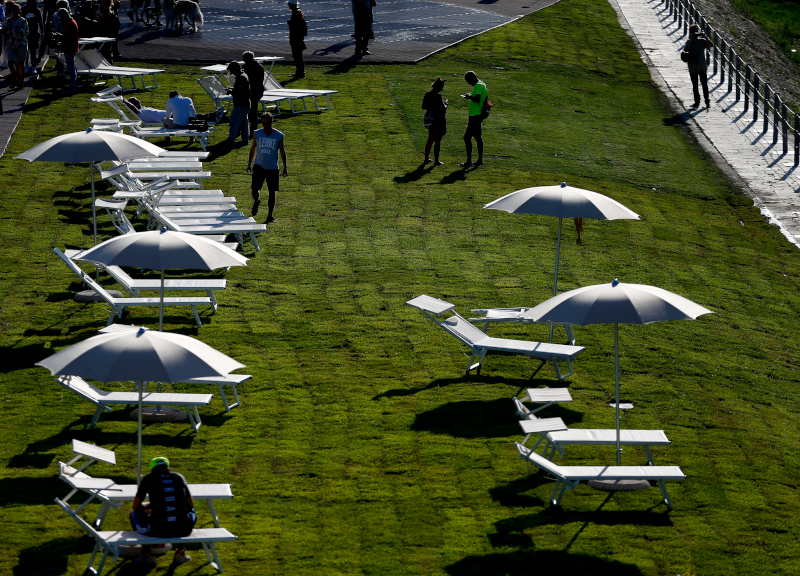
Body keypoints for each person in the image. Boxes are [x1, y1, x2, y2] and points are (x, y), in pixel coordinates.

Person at [130, 456, 197, 566]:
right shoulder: (179, 477)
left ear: (152, 469)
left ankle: (147, 554)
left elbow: (135, 507)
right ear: (168, 467)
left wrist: (151, 506)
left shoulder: (148, 478)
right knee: (190, 513)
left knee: (133, 515)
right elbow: (190, 505)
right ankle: (180, 552)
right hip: (183, 530)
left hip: (158, 530)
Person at [247, 112, 287, 223]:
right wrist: (249, 164)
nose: (265, 126)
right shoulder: (257, 133)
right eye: (263, 123)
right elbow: (253, 148)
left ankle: (270, 216)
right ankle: (257, 200)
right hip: (259, 166)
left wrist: (285, 167)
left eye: (267, 123)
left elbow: (282, 151)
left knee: (272, 192)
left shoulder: (279, 135)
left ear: (272, 122)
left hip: (273, 167)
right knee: (254, 190)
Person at [125, 95, 223, 125]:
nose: (139, 103)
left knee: (190, 114)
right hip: (168, 118)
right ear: (133, 105)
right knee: (189, 116)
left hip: (170, 115)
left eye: (138, 101)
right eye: (137, 103)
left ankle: (213, 115)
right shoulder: (140, 113)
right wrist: (124, 100)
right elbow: (132, 107)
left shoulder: (142, 109)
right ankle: (213, 116)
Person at [459, 70, 486, 168]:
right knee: (478, 138)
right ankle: (479, 160)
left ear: (472, 78)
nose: (468, 83)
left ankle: (469, 161)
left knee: (467, 137)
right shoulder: (482, 84)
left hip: (475, 116)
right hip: (478, 115)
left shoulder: (478, 86)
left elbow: (477, 99)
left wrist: (470, 96)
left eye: (468, 81)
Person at [683, 23, 713, 109]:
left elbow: (711, 45)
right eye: (693, 32)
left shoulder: (702, 41)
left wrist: (705, 37)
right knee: (695, 86)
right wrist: (691, 40)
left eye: (696, 32)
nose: (695, 34)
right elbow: (685, 50)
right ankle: (697, 102)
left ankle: (707, 101)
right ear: (690, 33)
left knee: (704, 85)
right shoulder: (689, 42)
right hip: (693, 68)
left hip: (702, 67)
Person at [422, 76, 447, 166]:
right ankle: (436, 160)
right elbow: (443, 109)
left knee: (430, 139)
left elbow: (423, 106)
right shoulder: (438, 96)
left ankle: (426, 158)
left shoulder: (427, 94)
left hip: (430, 119)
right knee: (437, 140)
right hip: (439, 120)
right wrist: (446, 104)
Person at [226, 60, 251, 145]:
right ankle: (245, 140)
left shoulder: (240, 77)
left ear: (235, 69)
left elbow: (240, 92)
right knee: (243, 124)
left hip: (240, 104)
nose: (231, 72)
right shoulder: (243, 75)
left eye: (231, 70)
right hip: (246, 104)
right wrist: (232, 89)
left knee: (233, 122)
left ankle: (231, 140)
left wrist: (231, 92)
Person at [4, 3, 29, 89]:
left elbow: (27, 33)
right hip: (11, 43)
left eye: (16, 10)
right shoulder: (8, 20)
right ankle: (14, 80)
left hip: (21, 44)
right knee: (10, 62)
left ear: (19, 11)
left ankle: (21, 82)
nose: (15, 12)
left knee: (20, 63)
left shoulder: (23, 21)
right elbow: (5, 30)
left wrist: (21, 31)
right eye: (13, 10)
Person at [242, 51, 265, 136]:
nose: (245, 62)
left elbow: (257, 82)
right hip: (248, 91)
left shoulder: (257, 67)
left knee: (253, 111)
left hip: (255, 92)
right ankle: (246, 130)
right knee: (247, 111)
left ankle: (253, 130)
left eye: (246, 60)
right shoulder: (246, 66)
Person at [58, 7, 78, 94]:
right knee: (73, 68)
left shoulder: (70, 24)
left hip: (69, 48)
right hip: (70, 48)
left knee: (71, 69)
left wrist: (60, 36)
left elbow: (69, 38)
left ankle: (72, 88)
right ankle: (73, 86)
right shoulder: (71, 22)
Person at [286, 0, 306, 78]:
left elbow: (296, 24)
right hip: (298, 36)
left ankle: (300, 72)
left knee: (297, 55)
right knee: (298, 55)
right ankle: (300, 72)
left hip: (296, 37)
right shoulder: (299, 11)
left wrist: (289, 22)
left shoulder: (296, 13)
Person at [22, 0, 41, 74]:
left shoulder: (37, 10)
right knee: (25, 50)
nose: (31, 4)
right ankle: (26, 65)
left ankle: (33, 66)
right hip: (25, 32)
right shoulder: (23, 9)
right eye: (30, 2)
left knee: (33, 50)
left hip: (34, 32)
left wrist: (42, 32)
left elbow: (40, 21)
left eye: (33, 2)